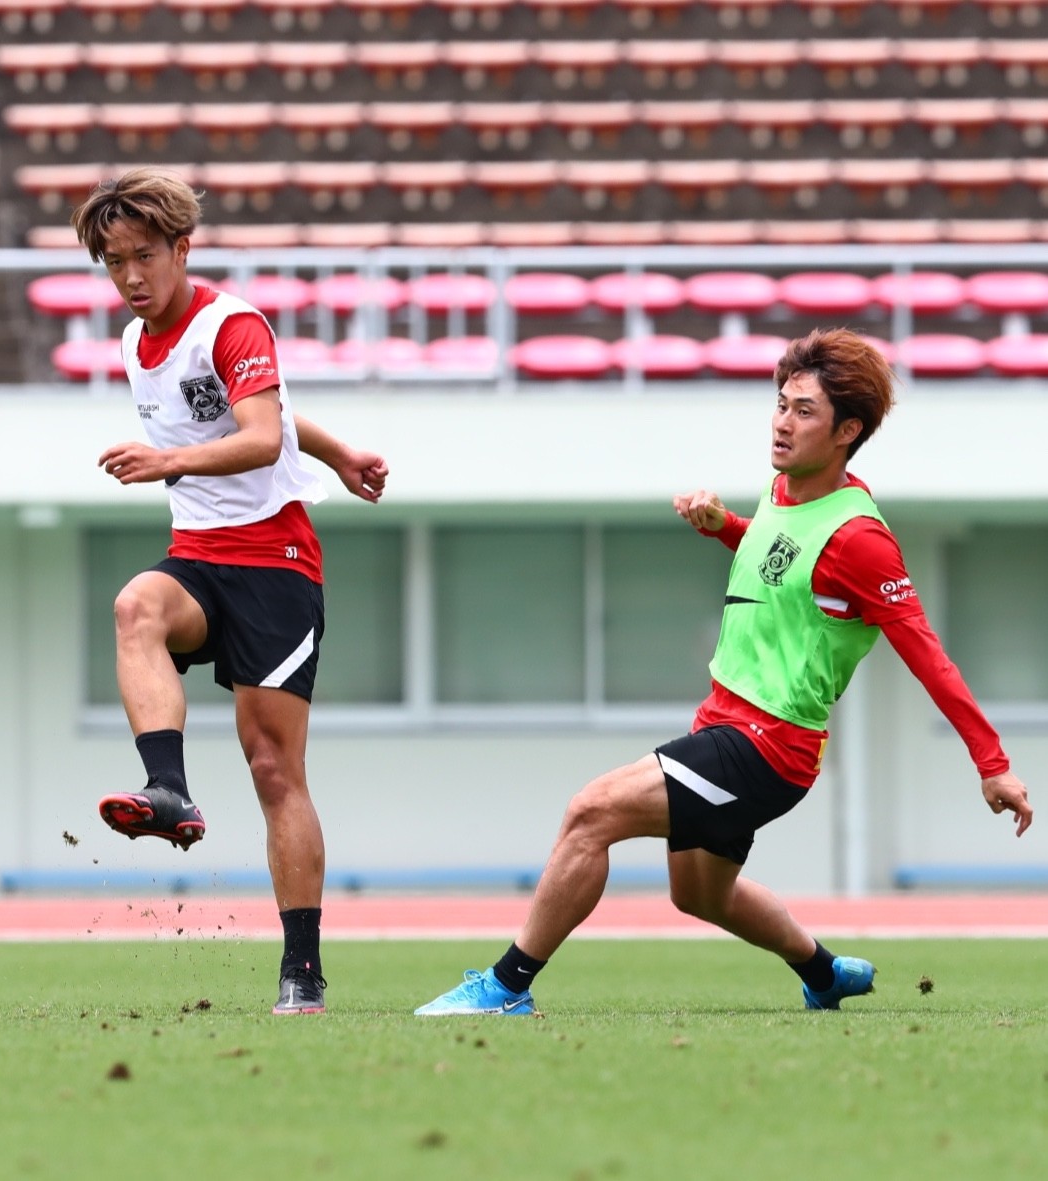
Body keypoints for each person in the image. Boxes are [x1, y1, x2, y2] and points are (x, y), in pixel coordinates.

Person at [416, 328, 1033, 1017]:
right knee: (699, 893)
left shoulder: (860, 539)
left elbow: (925, 651)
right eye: (780, 403)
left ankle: (505, 986)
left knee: (589, 812)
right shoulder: (786, 489)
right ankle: (824, 972)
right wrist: (723, 526)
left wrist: (991, 762)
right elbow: (782, 558)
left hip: (769, 745)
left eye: (803, 411)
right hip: (726, 721)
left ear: (846, 431)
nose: (780, 421)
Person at [70, 168, 389, 1015]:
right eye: (113, 261)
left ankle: (301, 968)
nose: (130, 276)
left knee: (273, 767)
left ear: (182, 247)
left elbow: (255, 432)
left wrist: (168, 462)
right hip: (200, 556)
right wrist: (339, 451)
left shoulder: (229, 322)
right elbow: (259, 413)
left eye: (143, 256)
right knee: (134, 605)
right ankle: (166, 788)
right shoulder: (139, 344)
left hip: (276, 564)